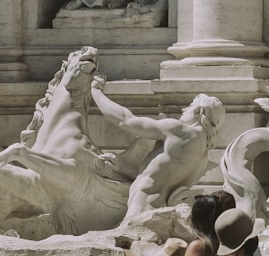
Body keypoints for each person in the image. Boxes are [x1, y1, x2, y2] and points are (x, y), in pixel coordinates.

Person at [90, 82, 224, 219]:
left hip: (141, 210)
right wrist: (123, 168)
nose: (184, 109)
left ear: (198, 111)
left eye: (190, 106)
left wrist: (95, 91)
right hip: (159, 212)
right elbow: (162, 180)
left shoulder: (180, 131)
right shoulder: (203, 158)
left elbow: (125, 120)